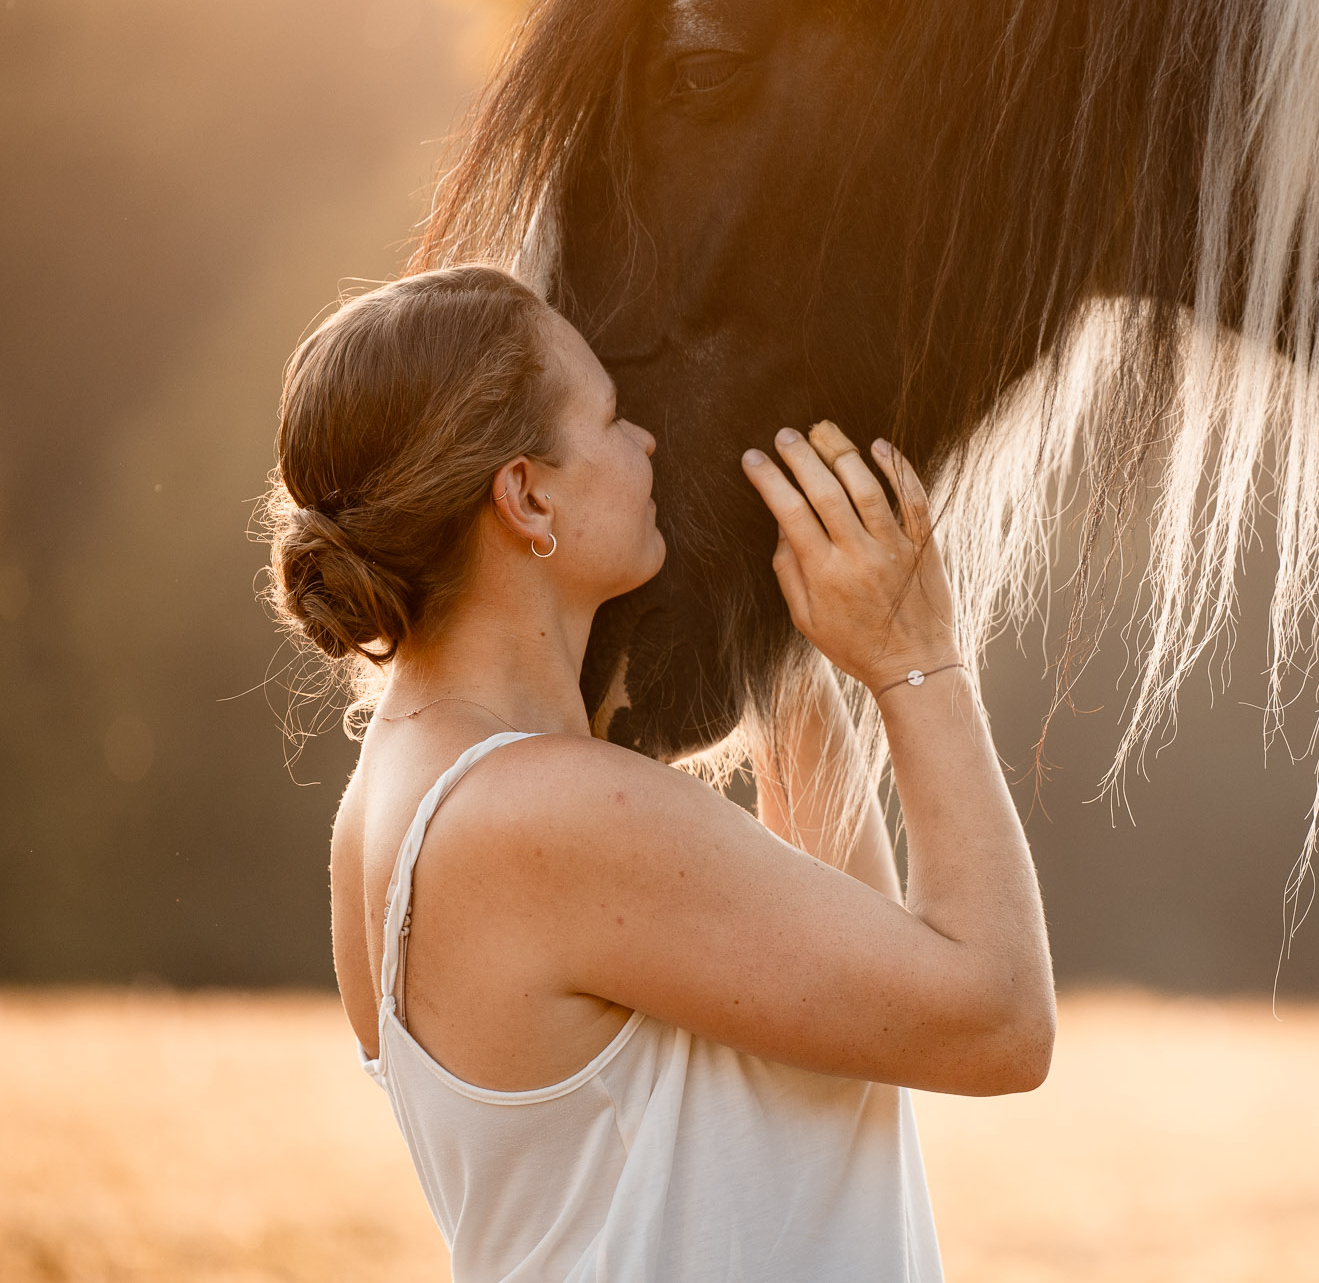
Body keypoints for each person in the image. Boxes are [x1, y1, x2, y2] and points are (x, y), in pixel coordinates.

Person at [261, 263, 1054, 1281]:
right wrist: (918, 655)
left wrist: (774, 644)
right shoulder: (546, 811)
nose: (647, 442)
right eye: (611, 415)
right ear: (527, 495)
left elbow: (855, 1021)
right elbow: (996, 1019)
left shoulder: (399, 794)